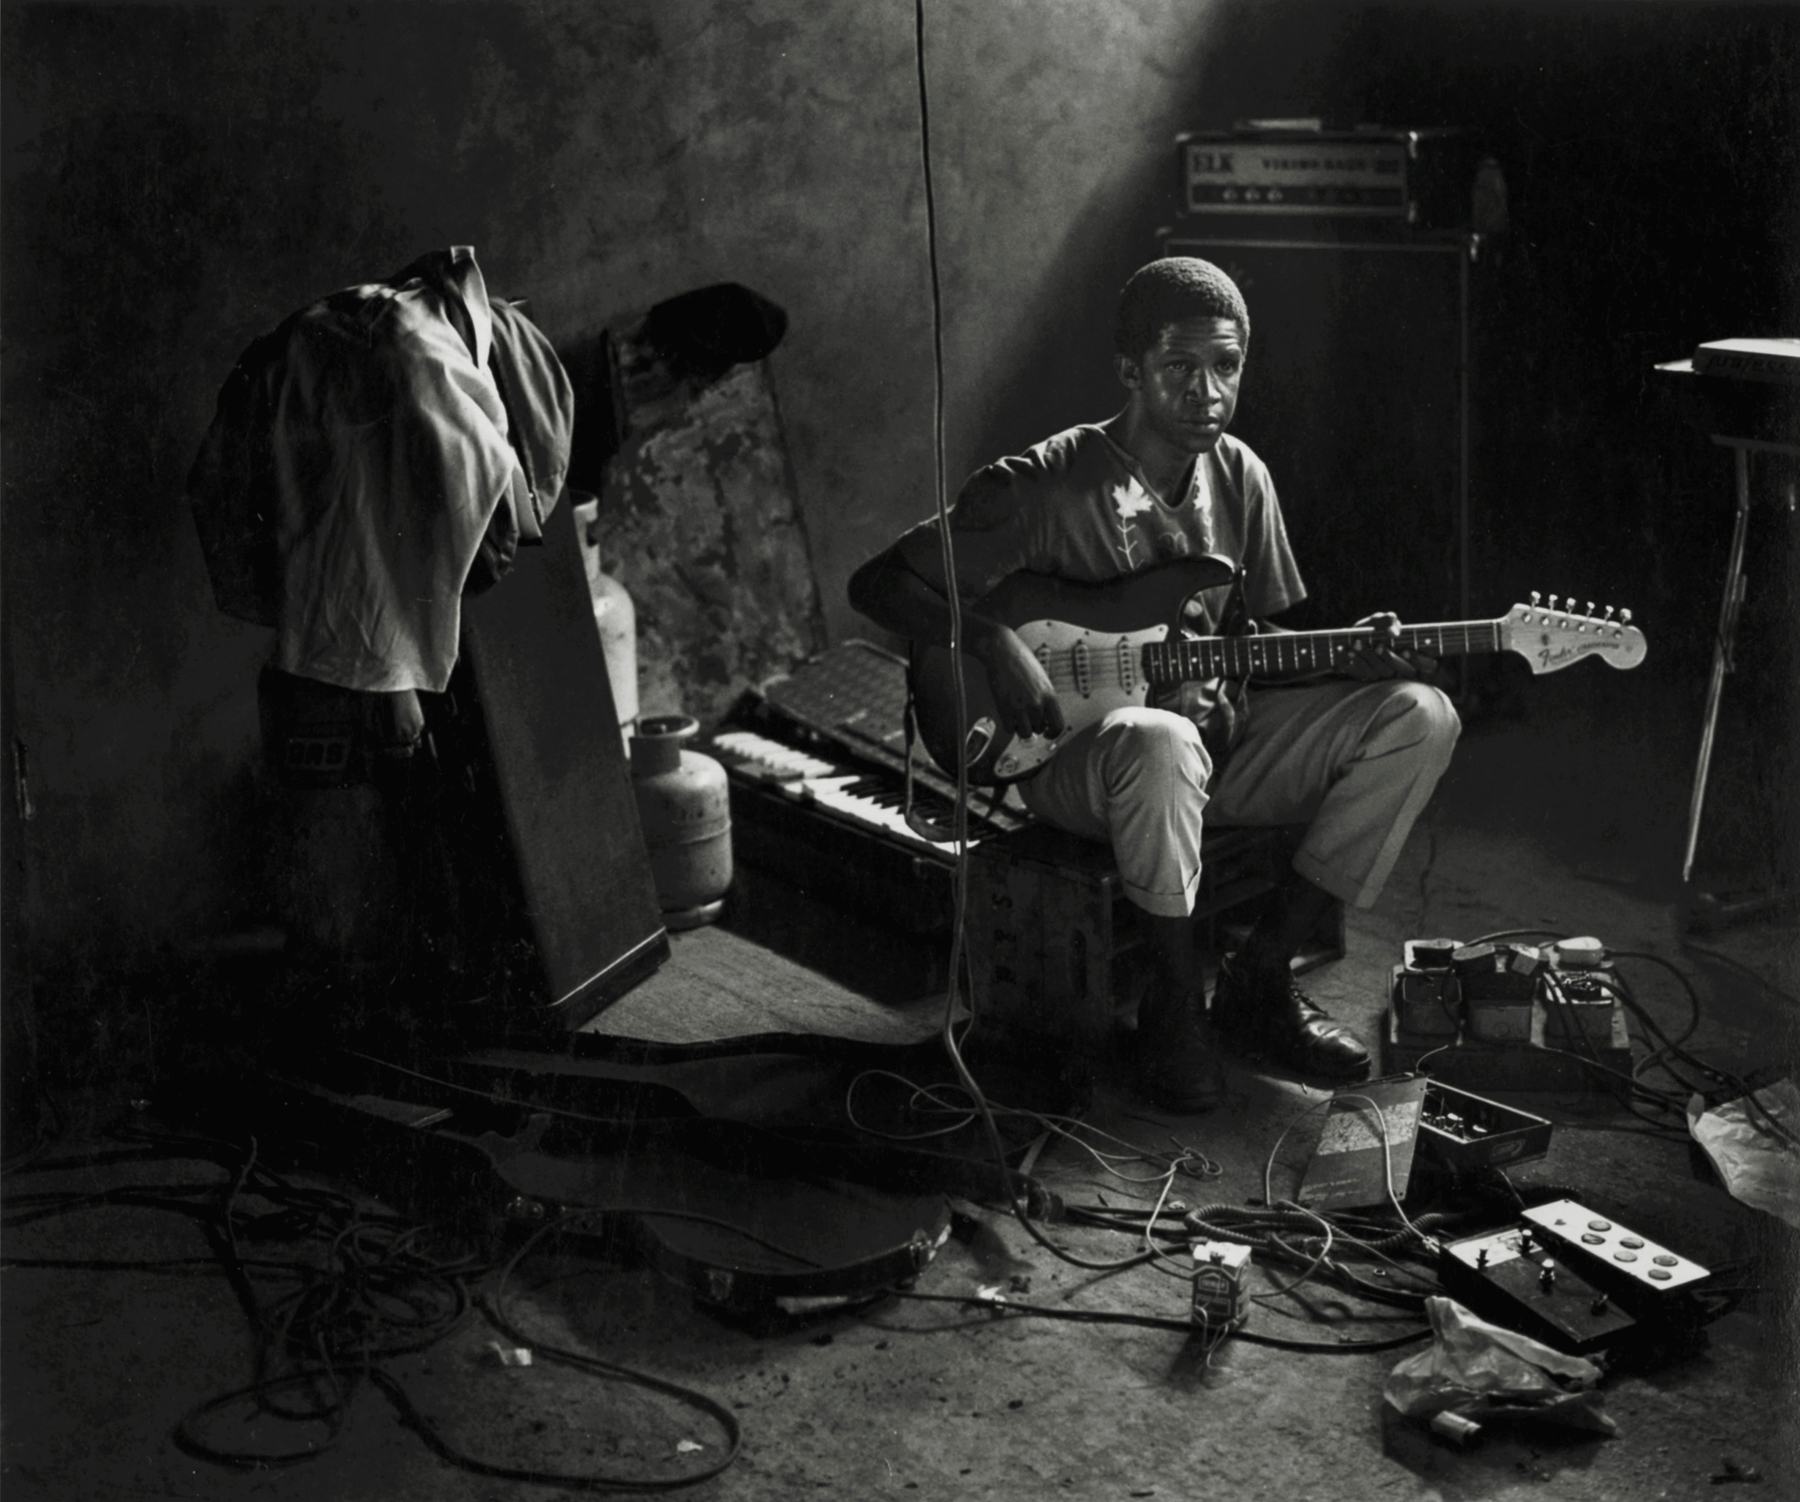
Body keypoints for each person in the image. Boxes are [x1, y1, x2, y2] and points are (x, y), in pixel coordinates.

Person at [847, 256, 1460, 1113]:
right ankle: (1176, 1007)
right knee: (1157, 738)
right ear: (1131, 372)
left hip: (1211, 741)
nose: (1208, 391)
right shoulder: (1042, 484)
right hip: (1076, 759)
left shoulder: (1240, 475)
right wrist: (987, 640)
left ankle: (1259, 978)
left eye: (1227, 366)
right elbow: (876, 585)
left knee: (1419, 716)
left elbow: (1249, 641)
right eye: (1181, 367)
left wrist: (1347, 656)